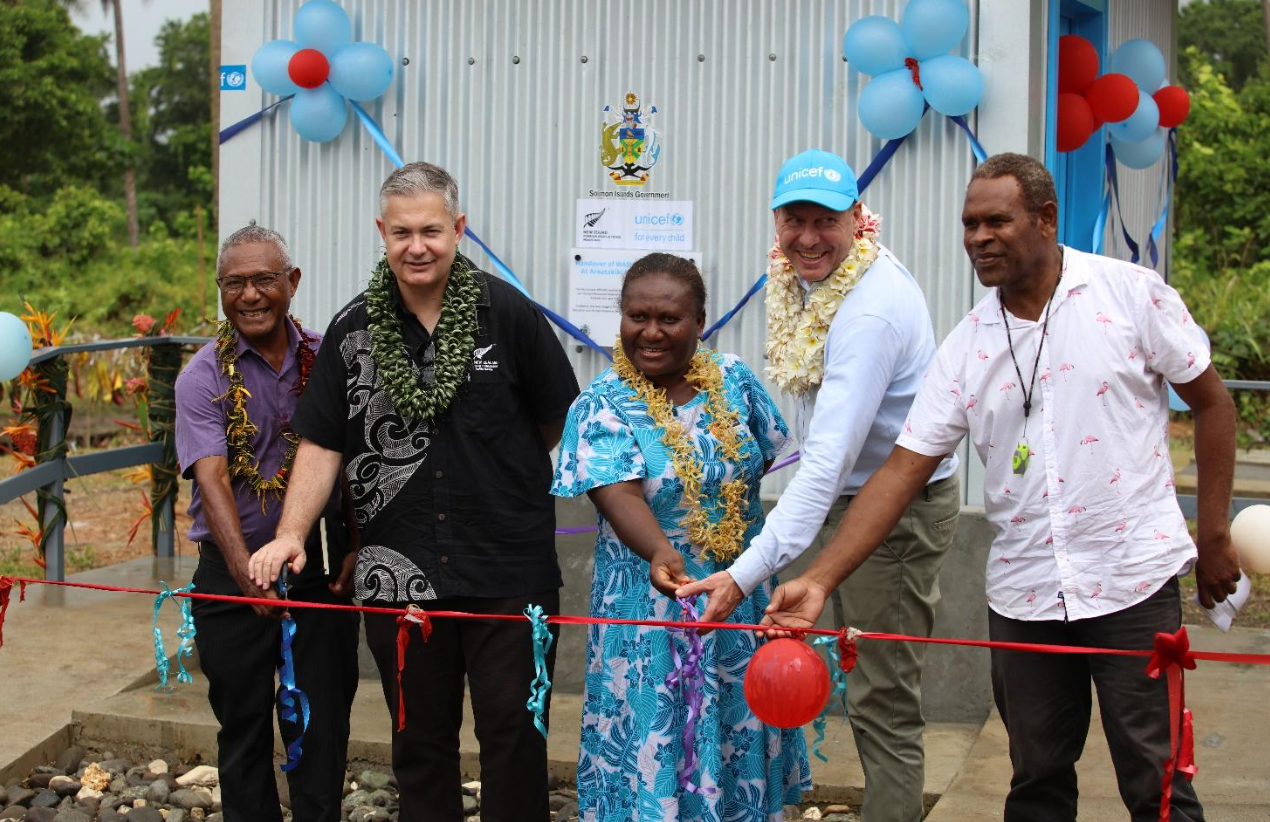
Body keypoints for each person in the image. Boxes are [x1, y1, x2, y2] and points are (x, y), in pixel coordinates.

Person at [762, 153, 1242, 822]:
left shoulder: (1130, 294)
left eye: (997, 222)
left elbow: (1215, 404)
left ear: (1045, 220)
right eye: (969, 225)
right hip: (1025, 595)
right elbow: (901, 472)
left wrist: (1213, 534)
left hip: (1131, 582)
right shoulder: (968, 346)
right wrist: (820, 580)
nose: (979, 238)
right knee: (1036, 782)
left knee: (1155, 782)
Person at [248, 161, 580, 822]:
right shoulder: (352, 331)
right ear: (383, 232)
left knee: (515, 738)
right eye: (402, 233)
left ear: (458, 229)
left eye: (431, 230)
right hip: (397, 576)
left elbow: (557, 419)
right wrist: (290, 534)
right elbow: (321, 442)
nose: (417, 246)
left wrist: (496, 474)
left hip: (507, 570)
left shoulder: (508, 314)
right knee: (419, 746)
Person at [678, 148, 959, 822]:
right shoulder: (806, 277)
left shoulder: (869, 313)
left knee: (882, 699)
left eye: (825, 221)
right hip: (849, 496)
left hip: (896, 511)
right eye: (793, 220)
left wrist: (743, 575)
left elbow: (829, 460)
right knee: (870, 695)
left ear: (858, 218)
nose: (807, 238)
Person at [551, 253, 811, 822]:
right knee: (660, 739)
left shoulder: (735, 381)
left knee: (737, 730)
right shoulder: (602, 403)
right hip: (653, 606)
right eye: (637, 316)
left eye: (669, 318)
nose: (650, 332)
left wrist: (734, 539)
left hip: (740, 598)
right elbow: (618, 493)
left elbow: (760, 458)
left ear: (700, 322)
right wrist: (660, 548)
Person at [174, 225, 360, 822]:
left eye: (263, 279)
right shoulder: (202, 376)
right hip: (230, 579)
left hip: (318, 574)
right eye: (235, 283)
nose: (250, 295)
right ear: (220, 290)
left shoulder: (328, 358)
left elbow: (353, 458)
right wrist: (244, 576)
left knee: (323, 724)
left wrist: (356, 544)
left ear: (292, 282)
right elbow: (212, 479)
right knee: (243, 725)